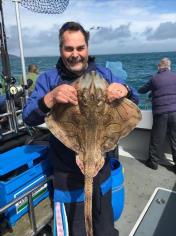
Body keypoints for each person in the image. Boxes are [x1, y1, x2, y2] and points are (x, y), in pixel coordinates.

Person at [22, 21, 138, 236]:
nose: (75, 54)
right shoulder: (49, 79)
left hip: (101, 168)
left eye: (80, 48)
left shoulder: (104, 73)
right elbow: (28, 117)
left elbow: (135, 100)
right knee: (75, 231)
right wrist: (49, 98)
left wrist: (126, 89)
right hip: (66, 176)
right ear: (60, 50)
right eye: (69, 48)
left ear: (87, 48)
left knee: (105, 229)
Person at [138, 57, 176, 172]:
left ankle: (153, 163)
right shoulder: (174, 76)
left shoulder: (154, 78)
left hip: (161, 113)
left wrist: (151, 92)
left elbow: (142, 90)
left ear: (159, 67)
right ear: (169, 67)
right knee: (175, 138)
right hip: (175, 112)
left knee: (157, 139)